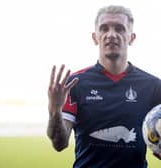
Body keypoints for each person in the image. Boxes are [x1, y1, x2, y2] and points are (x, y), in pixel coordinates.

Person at [47, 5, 161, 168]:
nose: (111, 34)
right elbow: (59, 143)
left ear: (131, 37)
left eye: (120, 29)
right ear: (95, 37)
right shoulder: (75, 83)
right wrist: (54, 110)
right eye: (104, 28)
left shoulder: (153, 86)